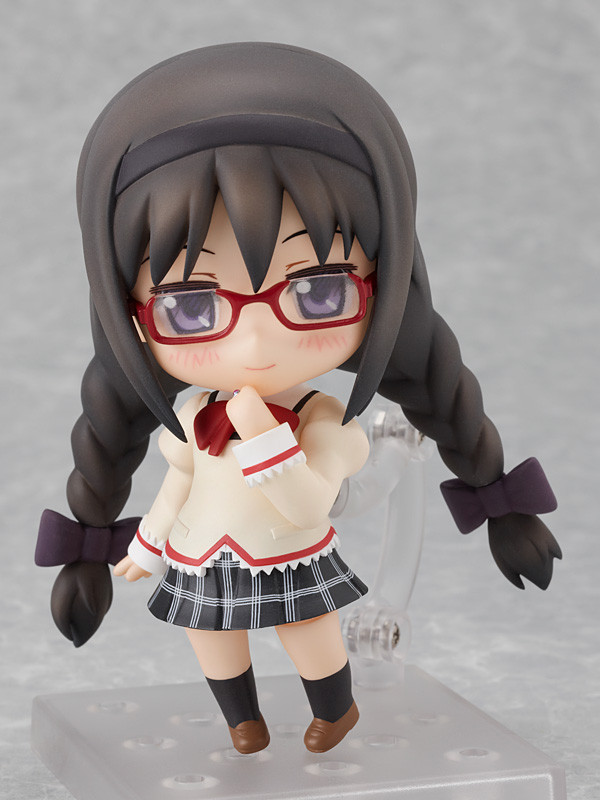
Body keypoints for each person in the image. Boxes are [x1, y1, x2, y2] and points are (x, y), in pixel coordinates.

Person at [36, 42, 560, 755]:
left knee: (305, 628)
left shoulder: (325, 421)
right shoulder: (189, 417)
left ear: (384, 281)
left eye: (316, 293)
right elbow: (177, 484)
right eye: (192, 306)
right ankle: (242, 720)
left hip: (287, 551)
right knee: (209, 634)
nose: (255, 342)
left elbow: (311, 503)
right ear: (127, 310)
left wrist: (265, 436)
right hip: (205, 552)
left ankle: (335, 709)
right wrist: (148, 543)